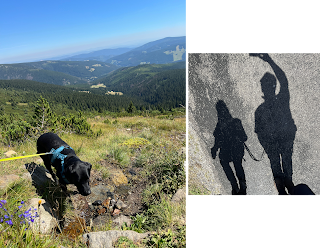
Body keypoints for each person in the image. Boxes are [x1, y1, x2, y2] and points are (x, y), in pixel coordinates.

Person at [252, 53, 297, 196]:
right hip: (283, 141)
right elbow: (284, 80)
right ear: (273, 85)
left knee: (278, 171)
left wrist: (266, 145)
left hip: (274, 143)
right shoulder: (282, 99)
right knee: (286, 171)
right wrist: (269, 60)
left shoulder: (260, 110)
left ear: (263, 88)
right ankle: (287, 188)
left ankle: (283, 190)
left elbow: (258, 132)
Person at [211, 100, 248, 196]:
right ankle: (240, 184)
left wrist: (214, 150)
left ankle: (235, 184)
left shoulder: (220, 126)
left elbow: (217, 142)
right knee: (236, 163)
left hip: (231, 151)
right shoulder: (236, 122)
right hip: (235, 150)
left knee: (227, 161)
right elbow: (244, 137)